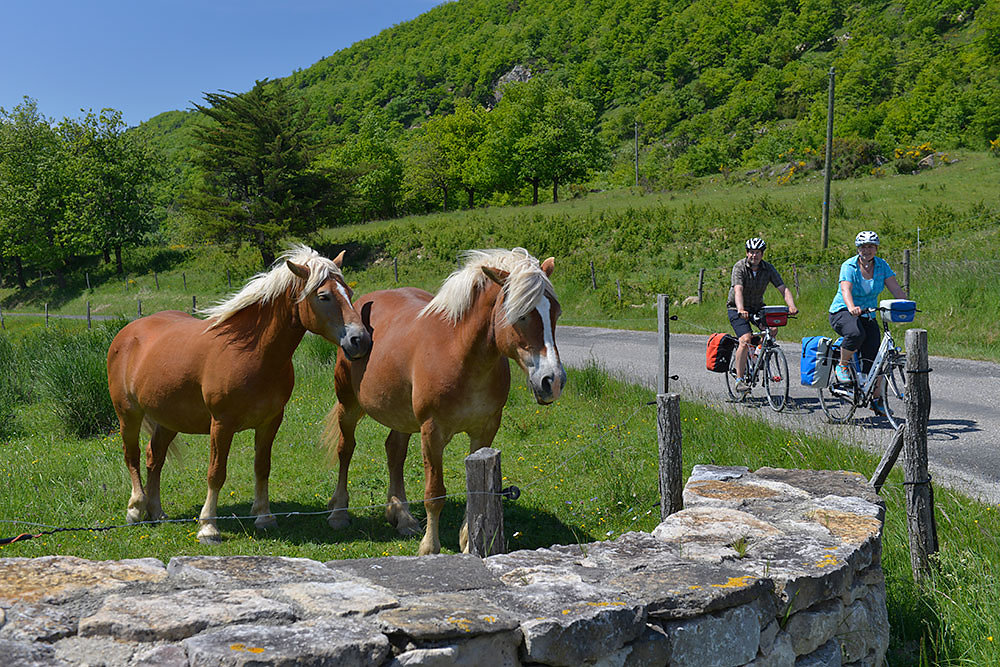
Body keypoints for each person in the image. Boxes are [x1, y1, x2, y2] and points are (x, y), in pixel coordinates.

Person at [828, 230, 909, 416]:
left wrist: (906, 304)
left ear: (876, 248)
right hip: (843, 311)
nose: (867, 250)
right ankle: (842, 364)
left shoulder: (882, 266)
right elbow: (846, 289)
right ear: (858, 249)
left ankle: (875, 398)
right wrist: (851, 307)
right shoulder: (849, 266)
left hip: (868, 314)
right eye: (863, 247)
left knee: (876, 355)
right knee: (856, 334)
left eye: (871, 246)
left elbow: (895, 287)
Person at [727, 237, 798, 390]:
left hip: (757, 307)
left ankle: (758, 357)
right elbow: (738, 289)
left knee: (772, 329)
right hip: (736, 308)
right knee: (745, 339)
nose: (754, 256)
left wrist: (791, 306)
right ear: (747, 253)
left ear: (762, 254)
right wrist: (740, 309)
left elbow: (783, 288)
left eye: (757, 252)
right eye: (751, 252)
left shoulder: (768, 268)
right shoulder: (739, 267)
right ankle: (739, 379)